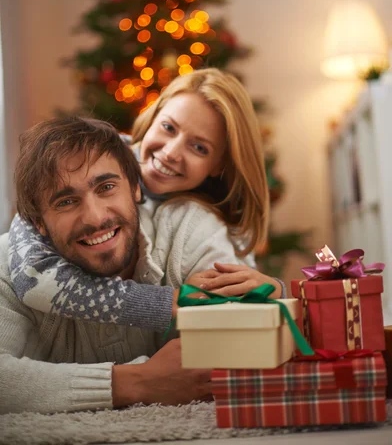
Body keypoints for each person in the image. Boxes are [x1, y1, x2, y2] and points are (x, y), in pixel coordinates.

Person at [8, 69, 284, 334]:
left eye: (199, 147)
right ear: (152, 117)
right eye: (168, 127)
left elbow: (241, 287)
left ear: (218, 165)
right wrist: (167, 302)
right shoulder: (89, 161)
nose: (171, 152)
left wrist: (277, 289)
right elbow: (32, 278)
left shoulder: (209, 214)